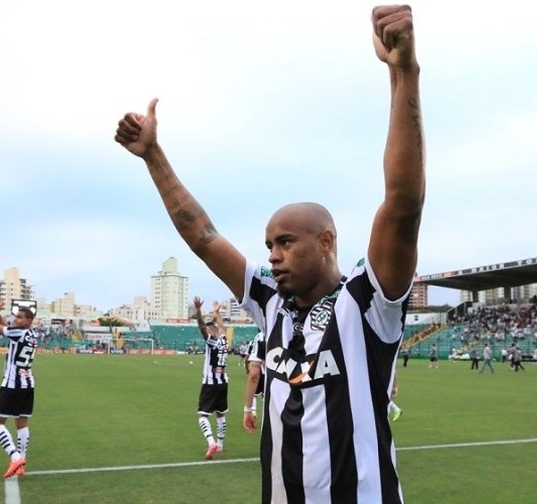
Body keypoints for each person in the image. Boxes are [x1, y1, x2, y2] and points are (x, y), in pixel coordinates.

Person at [115, 5, 424, 501]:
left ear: (325, 243)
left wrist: (403, 73)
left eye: (286, 242)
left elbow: (402, 205)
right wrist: (154, 156)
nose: (273, 256)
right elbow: (204, 236)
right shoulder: (270, 303)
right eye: (268, 245)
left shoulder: (366, 305)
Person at [0, 295, 37, 478]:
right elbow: (8, 328)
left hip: (12, 384)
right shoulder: (32, 333)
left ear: (29, 320)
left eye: (20, 317)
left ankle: (15, 457)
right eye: (16, 317)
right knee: (21, 423)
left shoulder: (19, 332)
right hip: (28, 384)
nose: (16, 320)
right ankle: (21, 461)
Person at [193, 297, 229, 459]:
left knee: (202, 415)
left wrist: (198, 311)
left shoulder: (211, 342)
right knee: (220, 413)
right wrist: (217, 313)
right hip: (223, 382)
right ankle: (220, 444)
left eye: (209, 330)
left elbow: (201, 326)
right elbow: (221, 327)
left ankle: (211, 442)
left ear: (211, 332)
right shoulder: (224, 340)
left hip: (210, 383)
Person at [243, 331, 265, 432]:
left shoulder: (261, 336)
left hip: (265, 373)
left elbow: (253, 374)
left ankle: (255, 413)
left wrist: (247, 410)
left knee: (256, 394)